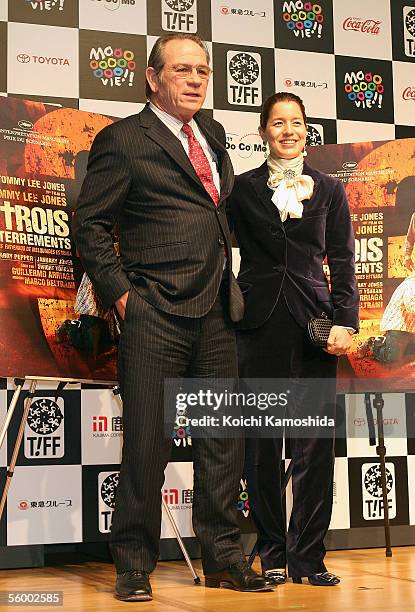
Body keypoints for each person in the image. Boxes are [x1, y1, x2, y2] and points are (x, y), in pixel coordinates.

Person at [73, 34, 270, 602]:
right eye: (182, 70)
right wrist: (122, 297)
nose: (195, 80)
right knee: (146, 445)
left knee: (221, 443)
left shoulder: (210, 133)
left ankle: (225, 558)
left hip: (216, 311)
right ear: (151, 77)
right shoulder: (123, 139)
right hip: (153, 311)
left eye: (203, 72)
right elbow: (90, 226)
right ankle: (133, 565)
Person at [229, 92, 359, 587]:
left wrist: (346, 321)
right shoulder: (239, 189)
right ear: (263, 131)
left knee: (313, 448)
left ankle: (310, 558)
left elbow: (343, 261)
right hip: (257, 325)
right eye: (278, 123)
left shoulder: (329, 189)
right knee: (261, 446)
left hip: (315, 329)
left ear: (307, 130)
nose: (288, 131)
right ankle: (272, 553)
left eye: (296, 123)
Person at [360, 276, 415, 363]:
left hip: (411, 330)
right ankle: (373, 343)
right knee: (392, 357)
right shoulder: (411, 284)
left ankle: (393, 343)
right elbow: (411, 306)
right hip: (397, 327)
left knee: (409, 354)